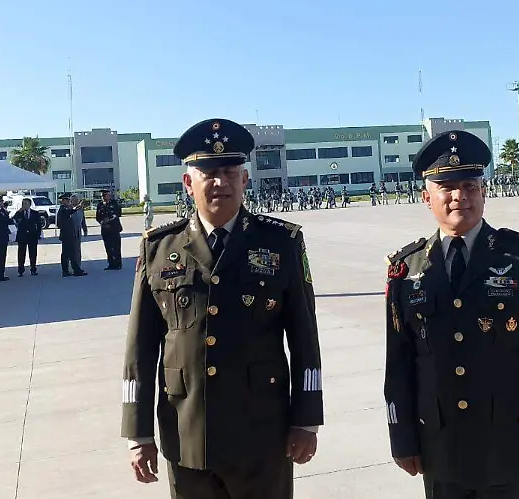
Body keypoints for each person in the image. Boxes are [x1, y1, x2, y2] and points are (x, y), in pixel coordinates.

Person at [122, 118, 323, 498]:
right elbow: (140, 349)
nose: (220, 182)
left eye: (230, 172)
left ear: (245, 180)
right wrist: (138, 433)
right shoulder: (159, 249)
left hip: (262, 435)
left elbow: (304, 338)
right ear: (188, 183)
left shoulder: (280, 243)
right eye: (209, 173)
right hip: (186, 434)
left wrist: (307, 419)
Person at [384, 130, 519, 499]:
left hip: (510, 448)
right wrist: (402, 437)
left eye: (470, 186)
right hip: (440, 449)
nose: (460, 196)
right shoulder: (407, 269)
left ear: (484, 192)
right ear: (426, 197)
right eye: (447, 187)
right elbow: (399, 364)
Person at [58, 195, 87, 277]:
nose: (68, 202)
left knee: (69, 254)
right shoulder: (63, 209)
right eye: (67, 200)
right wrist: (78, 207)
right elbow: (69, 212)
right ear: (63, 201)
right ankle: (75, 270)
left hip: (70, 234)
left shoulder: (66, 208)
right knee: (69, 254)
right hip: (67, 235)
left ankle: (69, 271)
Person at [13, 198, 44, 277]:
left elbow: (39, 225)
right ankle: (20, 270)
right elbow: (14, 219)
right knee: (21, 253)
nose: (24, 205)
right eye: (23, 203)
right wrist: (19, 211)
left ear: (30, 205)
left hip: (32, 235)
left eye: (26, 203)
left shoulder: (35, 213)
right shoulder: (20, 213)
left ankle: (33, 269)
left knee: (33, 253)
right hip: (22, 235)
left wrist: (38, 234)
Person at [96, 189, 123, 270]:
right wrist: (102, 222)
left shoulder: (114, 203)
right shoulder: (100, 205)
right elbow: (97, 217)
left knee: (116, 247)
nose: (103, 197)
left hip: (114, 228)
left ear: (109, 195)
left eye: (105, 195)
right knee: (108, 247)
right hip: (105, 229)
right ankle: (111, 264)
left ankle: (118, 264)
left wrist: (109, 220)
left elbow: (118, 213)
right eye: (102, 196)